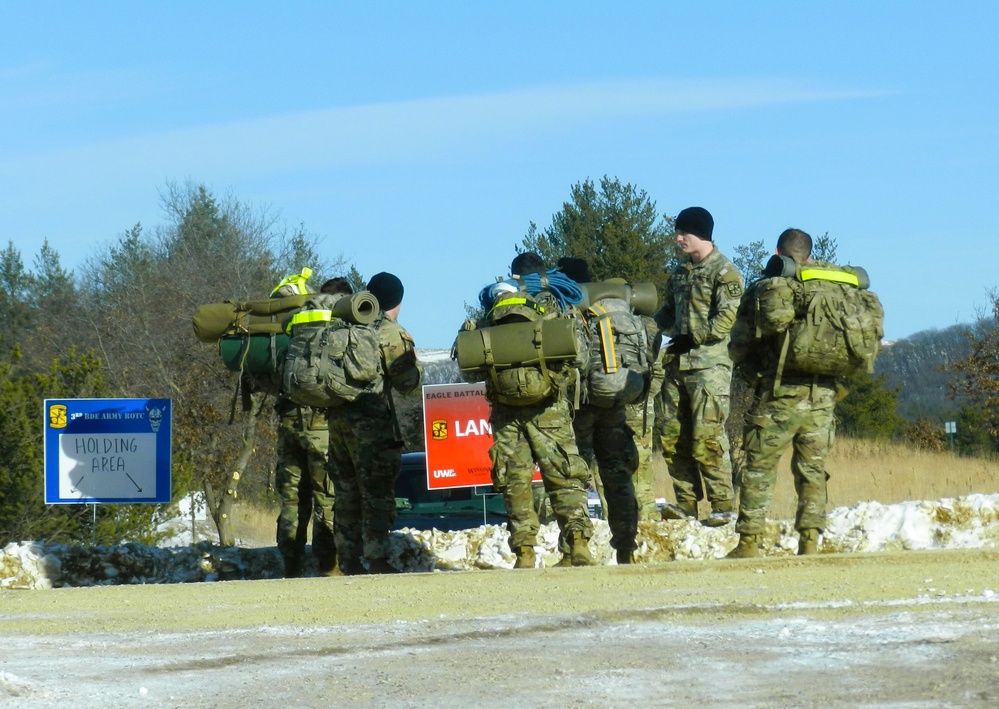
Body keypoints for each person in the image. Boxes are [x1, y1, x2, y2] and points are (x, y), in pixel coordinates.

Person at [471, 252, 595, 568]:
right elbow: (579, 357)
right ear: (543, 274)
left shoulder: (492, 312)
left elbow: (470, 369)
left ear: (512, 275)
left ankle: (525, 553)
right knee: (564, 475)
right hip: (550, 406)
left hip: (506, 411)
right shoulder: (555, 307)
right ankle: (577, 546)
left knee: (515, 481)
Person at [727, 229, 837, 558]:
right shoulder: (832, 287)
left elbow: (739, 344)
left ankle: (749, 542)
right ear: (809, 253)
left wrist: (750, 372)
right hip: (823, 394)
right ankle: (810, 541)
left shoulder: (767, 287)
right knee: (812, 469)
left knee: (759, 467)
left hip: (777, 393)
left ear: (778, 253)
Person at [326, 271, 421, 574]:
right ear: (397, 301)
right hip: (371, 423)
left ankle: (348, 560)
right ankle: (377, 558)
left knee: (345, 492)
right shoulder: (389, 331)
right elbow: (408, 384)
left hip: (337, 420)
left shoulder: (347, 323)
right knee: (376, 491)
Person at [654, 207, 743, 527]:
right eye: (677, 233)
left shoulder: (725, 272)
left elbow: (725, 320)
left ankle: (722, 504)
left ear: (700, 234)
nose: (678, 239)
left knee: (708, 435)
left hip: (709, 367)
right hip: (675, 365)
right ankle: (686, 504)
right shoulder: (678, 273)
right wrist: (648, 332)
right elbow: (666, 314)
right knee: (672, 434)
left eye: (684, 233)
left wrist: (694, 338)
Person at [555, 256, 642, 564]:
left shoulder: (566, 307)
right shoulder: (609, 308)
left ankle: (577, 548)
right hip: (614, 402)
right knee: (617, 476)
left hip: (580, 407)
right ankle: (626, 547)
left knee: (573, 477)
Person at [271, 274, 340, 578]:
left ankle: (291, 563)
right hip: (321, 427)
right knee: (326, 497)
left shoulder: (292, 334)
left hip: (288, 425)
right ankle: (329, 565)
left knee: (292, 499)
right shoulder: (336, 332)